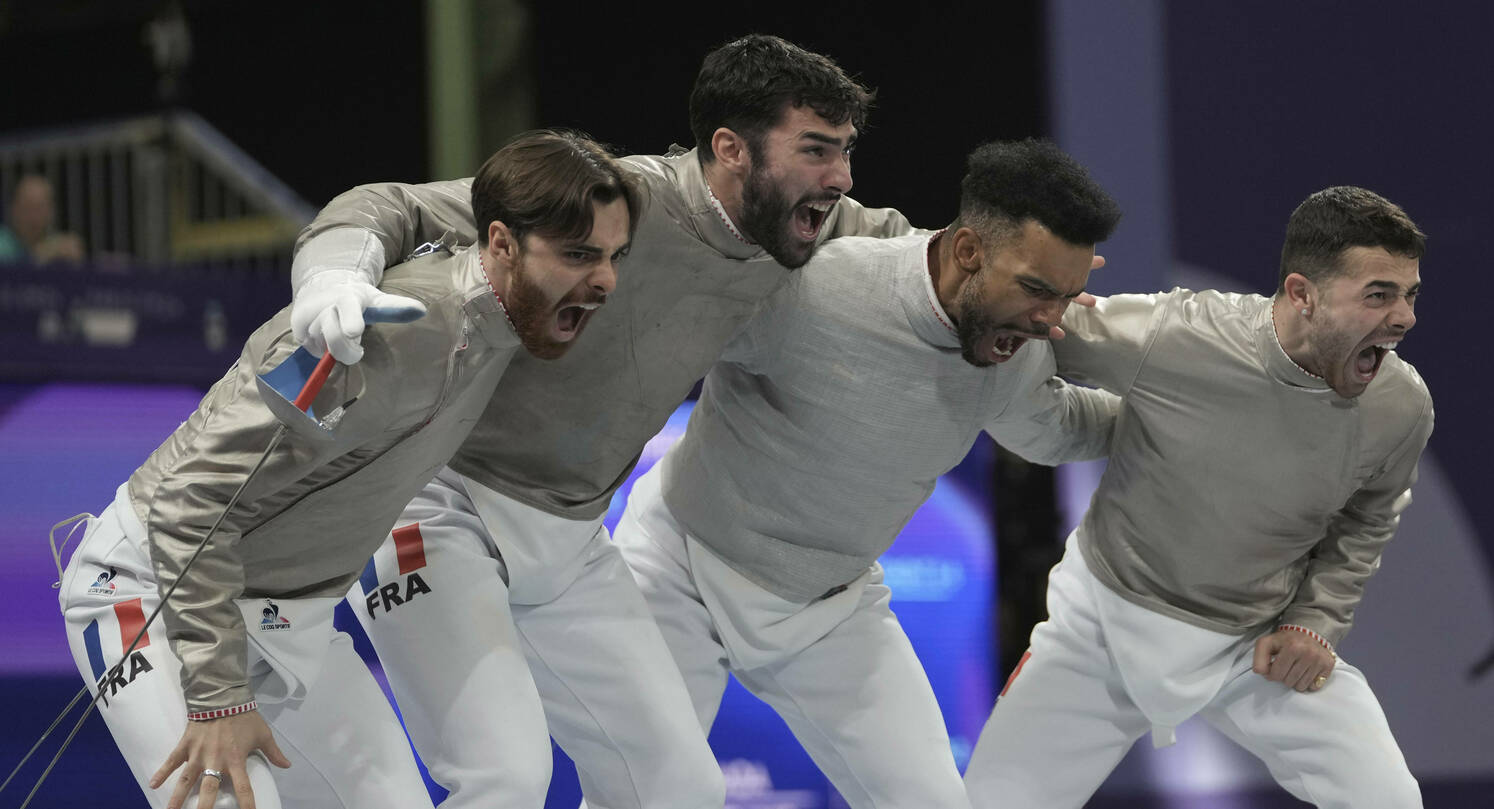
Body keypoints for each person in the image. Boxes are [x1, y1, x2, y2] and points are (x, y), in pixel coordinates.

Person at [288, 34, 913, 809]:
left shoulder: (815, 227)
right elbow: (389, 203)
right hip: (439, 505)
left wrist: (1057, 301)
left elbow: (948, 265)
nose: (842, 177)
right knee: (506, 777)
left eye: (847, 151)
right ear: (731, 149)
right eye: (817, 150)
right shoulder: (614, 201)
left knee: (678, 786)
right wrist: (331, 277)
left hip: (572, 541)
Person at [56, 130, 637, 809]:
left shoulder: (511, 320)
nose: (606, 280)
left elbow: (412, 207)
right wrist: (215, 699)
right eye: (579, 255)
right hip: (150, 593)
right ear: (502, 243)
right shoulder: (378, 331)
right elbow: (191, 499)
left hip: (286, 619)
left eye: (614, 256)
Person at [612, 138, 1120, 809]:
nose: (1049, 320)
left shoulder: (1014, 356)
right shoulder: (820, 286)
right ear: (968, 250)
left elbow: (1057, 430)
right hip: (679, 570)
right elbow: (660, 333)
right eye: (1034, 289)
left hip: (828, 609)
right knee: (651, 796)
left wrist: (1183, 418)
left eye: (1065, 296)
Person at [963, 186, 1432, 808]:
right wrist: (977, 270)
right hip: (1101, 627)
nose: (1404, 317)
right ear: (1302, 294)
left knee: (1387, 799)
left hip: (1253, 642)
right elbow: (1034, 320)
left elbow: (1366, 523)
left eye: (1410, 294)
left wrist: (1315, 623)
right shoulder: (1177, 335)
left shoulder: (1401, 407)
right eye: (1379, 294)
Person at [0, 174, 85, 263]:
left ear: (52, 211)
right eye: (27, 207)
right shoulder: (2, 243)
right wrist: (38, 256)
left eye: (40, 208)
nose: (34, 217)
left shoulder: (58, 243)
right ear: (13, 209)